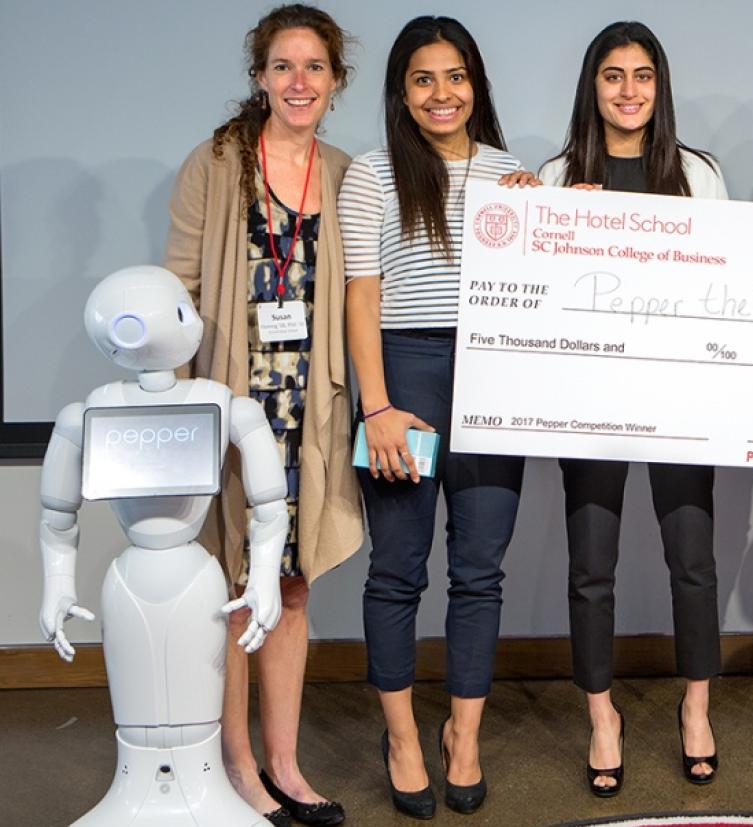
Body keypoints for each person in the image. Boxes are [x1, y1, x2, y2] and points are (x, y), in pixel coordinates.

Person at [164, 5, 362, 825]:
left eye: (314, 67)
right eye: (283, 66)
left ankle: (284, 761)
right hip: (229, 411)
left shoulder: (349, 171)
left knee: (292, 583)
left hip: (309, 414)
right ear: (259, 77)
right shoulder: (216, 162)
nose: (298, 82)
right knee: (235, 587)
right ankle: (238, 764)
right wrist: (180, 409)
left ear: (335, 81)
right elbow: (179, 289)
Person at [338, 15, 527, 820]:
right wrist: (376, 405)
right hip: (405, 379)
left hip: (493, 378)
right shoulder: (374, 174)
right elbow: (362, 293)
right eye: (423, 79)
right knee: (397, 569)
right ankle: (403, 738)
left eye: (455, 77)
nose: (441, 93)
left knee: (479, 571)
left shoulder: (514, 173)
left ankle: (463, 736)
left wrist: (557, 214)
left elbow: (546, 285)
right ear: (401, 92)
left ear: (476, 85)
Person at [531, 21, 727, 796]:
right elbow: (536, 296)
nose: (629, 90)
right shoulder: (554, 174)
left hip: (680, 397)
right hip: (589, 399)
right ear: (592, 86)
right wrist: (549, 226)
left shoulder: (698, 173)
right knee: (592, 566)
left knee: (693, 559)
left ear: (661, 85)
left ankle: (697, 707)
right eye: (613, 75)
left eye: (643, 75)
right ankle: (603, 717)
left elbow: (728, 281)